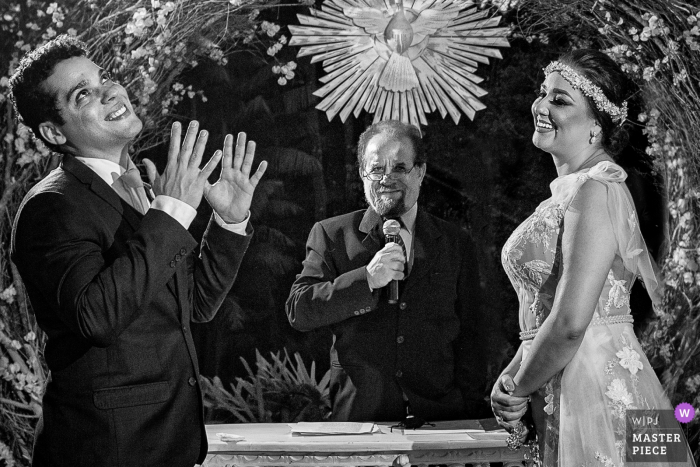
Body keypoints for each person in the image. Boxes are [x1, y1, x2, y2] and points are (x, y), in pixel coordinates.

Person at [9, 35, 266, 467]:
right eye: (84, 94)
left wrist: (229, 222)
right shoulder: (51, 205)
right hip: (108, 449)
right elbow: (97, 317)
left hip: (170, 443)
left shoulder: (140, 190)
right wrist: (172, 211)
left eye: (103, 78)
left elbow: (195, 305)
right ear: (54, 132)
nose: (111, 91)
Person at [490, 49, 694, 466]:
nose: (541, 106)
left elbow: (570, 323)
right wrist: (513, 372)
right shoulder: (571, 191)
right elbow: (544, 311)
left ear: (597, 128)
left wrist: (519, 388)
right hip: (565, 379)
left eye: (560, 101)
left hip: (599, 386)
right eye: (543, 93)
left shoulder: (596, 190)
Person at [286, 120, 488, 422]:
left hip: (441, 418)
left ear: (420, 172)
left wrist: (467, 406)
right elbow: (299, 310)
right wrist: (365, 279)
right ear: (361, 173)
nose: (386, 178)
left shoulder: (454, 242)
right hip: (360, 418)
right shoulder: (332, 235)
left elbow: (473, 335)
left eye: (399, 168)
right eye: (376, 169)